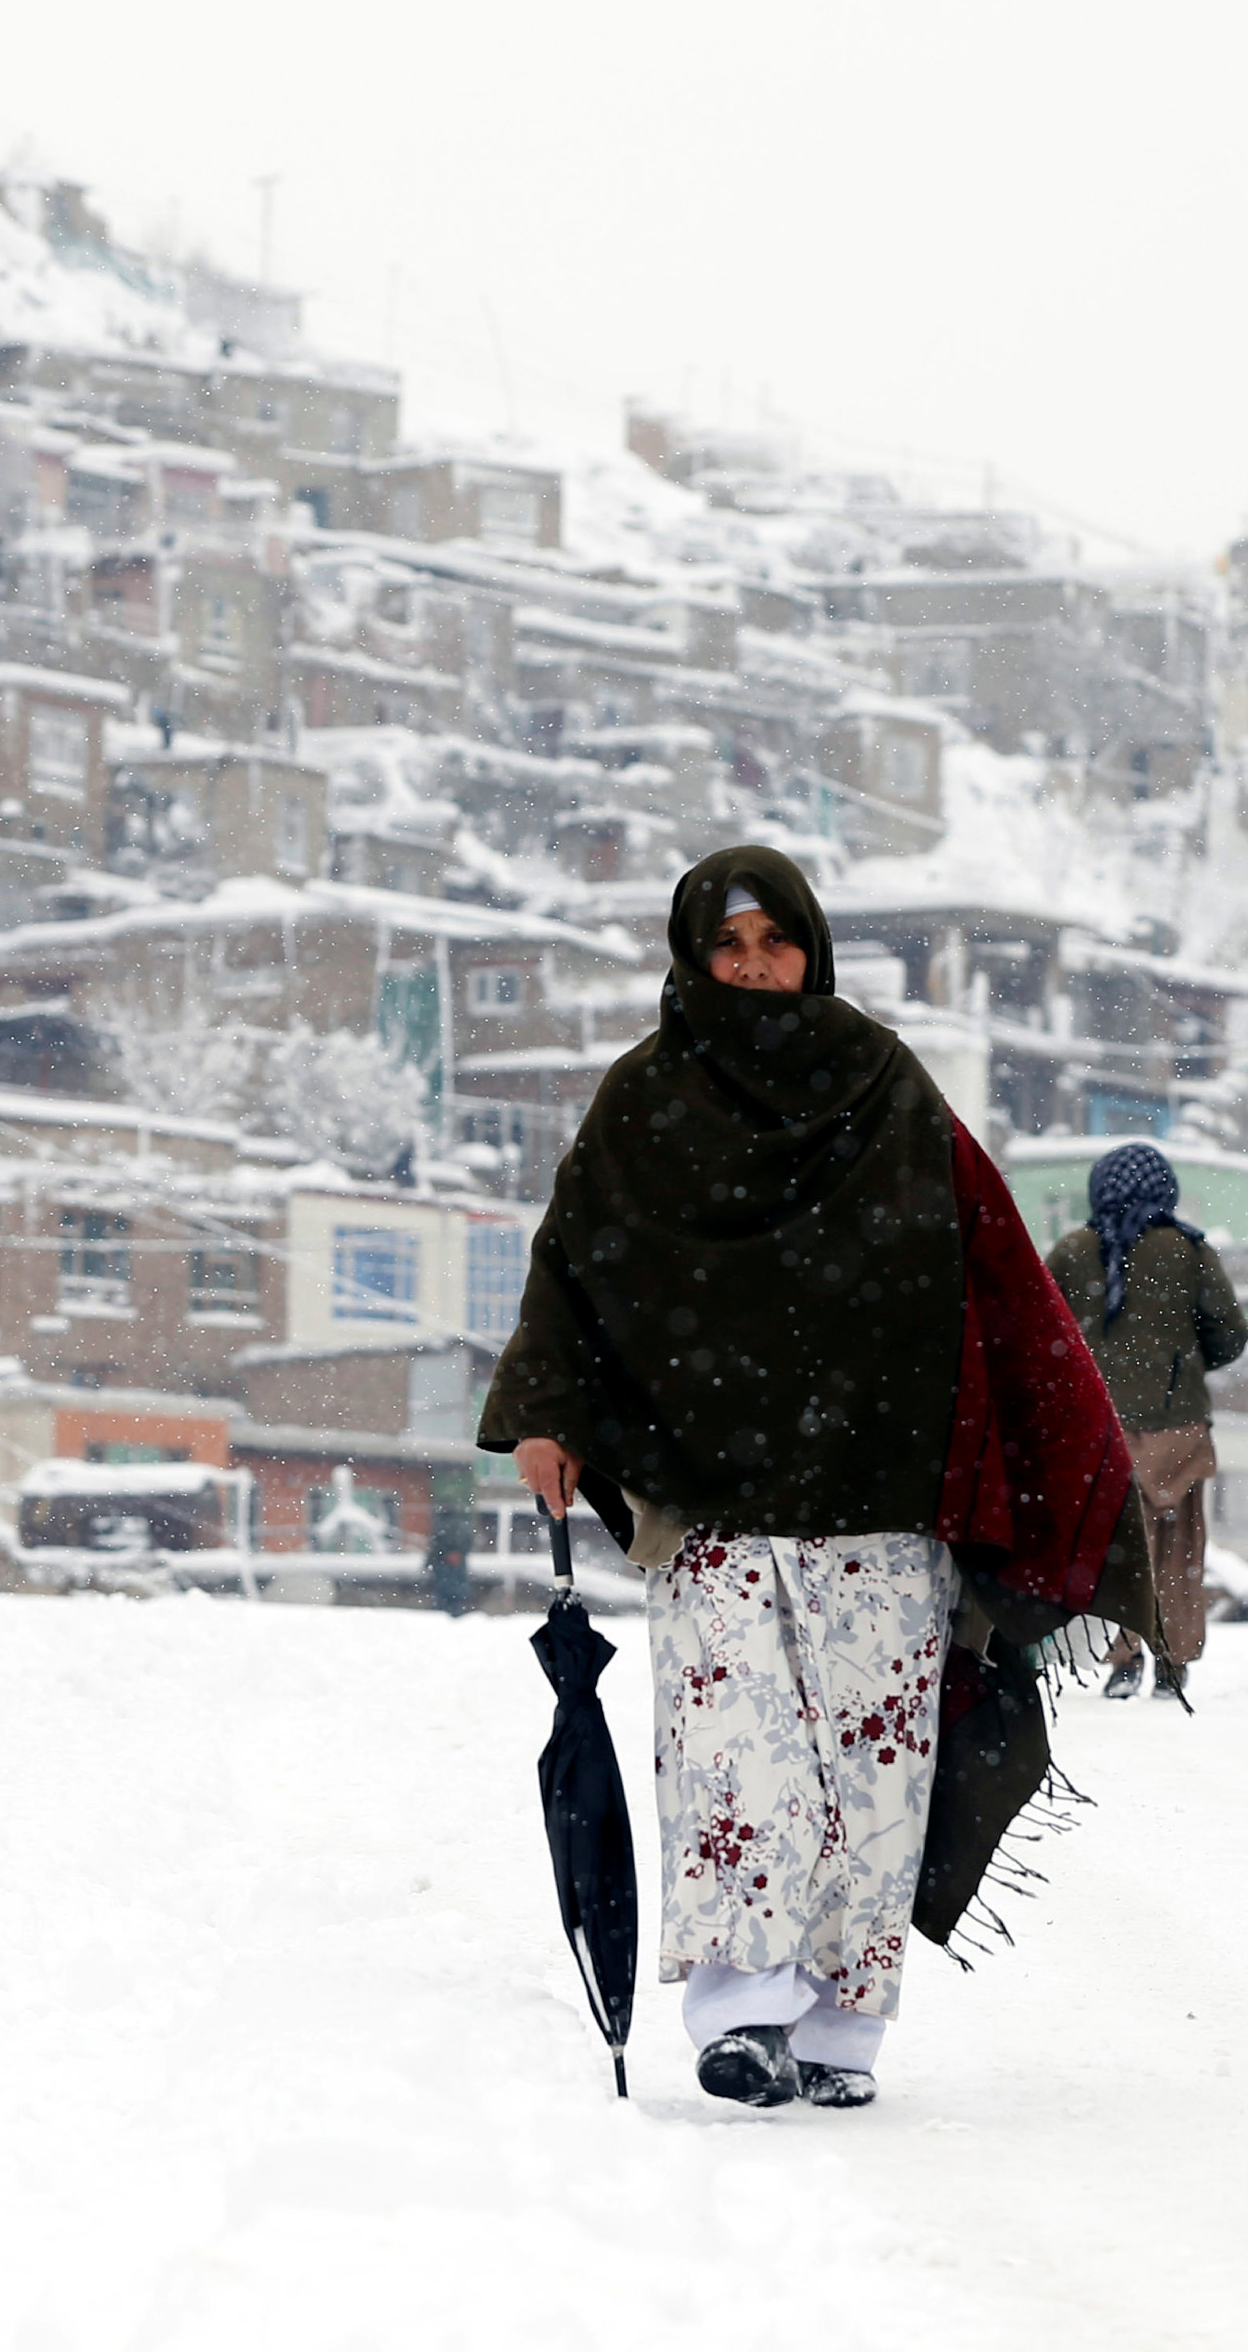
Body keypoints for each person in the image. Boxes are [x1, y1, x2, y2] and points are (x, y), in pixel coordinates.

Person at [480, 847, 1140, 2111]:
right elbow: (572, 1262)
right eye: (726, 949)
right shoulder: (644, 1100)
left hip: (880, 1486)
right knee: (733, 1755)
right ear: (690, 957)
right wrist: (541, 1413)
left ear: (810, 949)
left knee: (868, 1761)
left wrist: (1044, 1440)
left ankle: (841, 2028)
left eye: (771, 945)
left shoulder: (882, 1083)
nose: (750, 971)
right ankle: (739, 2013)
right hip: (709, 1490)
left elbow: (988, 1258)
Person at [1047, 1142, 1248, 1705]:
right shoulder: (1187, 1249)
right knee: (1178, 1547)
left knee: (1114, 1546)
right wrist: (1183, 1360)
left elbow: (1041, 1334)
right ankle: (1172, 1659)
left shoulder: (1072, 1250)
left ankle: (1121, 1655)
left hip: (1097, 1428)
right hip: (1175, 1423)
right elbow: (1230, 1332)